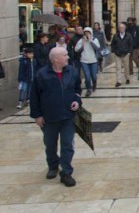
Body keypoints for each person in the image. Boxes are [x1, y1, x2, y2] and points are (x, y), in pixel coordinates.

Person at [30, 47, 81, 187]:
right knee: (50, 144)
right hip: (49, 117)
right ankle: (53, 166)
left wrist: (77, 101)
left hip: (68, 116)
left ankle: (66, 172)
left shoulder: (72, 71)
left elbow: (77, 90)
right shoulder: (42, 74)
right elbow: (34, 96)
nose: (68, 57)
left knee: (67, 144)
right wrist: (37, 115)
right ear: (56, 59)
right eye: (65, 55)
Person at [74, 27, 100, 97]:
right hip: (84, 60)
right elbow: (76, 50)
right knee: (87, 76)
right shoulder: (81, 40)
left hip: (93, 60)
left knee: (94, 76)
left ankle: (94, 83)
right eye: (85, 33)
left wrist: (90, 41)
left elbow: (97, 48)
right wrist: (82, 45)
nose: (87, 34)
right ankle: (88, 89)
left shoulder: (95, 39)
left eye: (88, 33)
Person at [110, 23, 133, 88]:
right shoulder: (115, 36)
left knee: (126, 67)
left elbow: (131, 44)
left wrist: (129, 52)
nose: (121, 29)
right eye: (120, 28)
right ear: (118, 29)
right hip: (117, 54)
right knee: (118, 68)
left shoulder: (128, 35)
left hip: (125, 54)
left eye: (122, 27)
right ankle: (119, 81)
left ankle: (127, 78)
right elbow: (112, 44)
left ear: (125, 28)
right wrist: (113, 51)